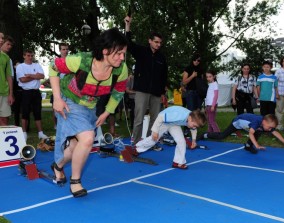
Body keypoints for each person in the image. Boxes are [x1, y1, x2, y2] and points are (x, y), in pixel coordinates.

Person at [49, 28, 128, 198]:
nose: (122, 58)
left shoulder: (121, 70)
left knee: (77, 146)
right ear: (105, 50)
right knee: (87, 138)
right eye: (119, 53)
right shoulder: (81, 60)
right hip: (70, 102)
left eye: (124, 53)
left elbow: (118, 92)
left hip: (91, 107)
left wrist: (107, 112)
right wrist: (56, 98)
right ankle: (75, 182)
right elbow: (54, 67)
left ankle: (58, 165)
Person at [124, 16, 168, 146]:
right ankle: (136, 144)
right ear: (150, 41)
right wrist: (128, 25)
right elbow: (128, 43)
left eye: (160, 42)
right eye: (156, 42)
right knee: (138, 119)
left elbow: (164, 76)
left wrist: (163, 94)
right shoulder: (141, 51)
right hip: (142, 91)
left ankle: (149, 143)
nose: (158, 44)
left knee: (155, 120)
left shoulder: (162, 57)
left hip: (156, 93)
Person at [132, 106, 206, 169]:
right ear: (190, 118)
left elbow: (193, 129)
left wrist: (193, 140)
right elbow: (160, 117)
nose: (194, 127)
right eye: (194, 125)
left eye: (196, 126)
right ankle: (136, 148)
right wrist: (155, 131)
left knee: (181, 142)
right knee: (154, 139)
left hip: (174, 123)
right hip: (163, 121)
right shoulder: (180, 115)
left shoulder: (193, 118)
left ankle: (178, 162)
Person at [200, 113, 284, 154]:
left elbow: (275, 133)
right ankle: (205, 134)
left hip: (246, 126)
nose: (270, 129)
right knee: (221, 136)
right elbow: (250, 134)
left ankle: (247, 146)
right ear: (264, 122)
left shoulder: (264, 125)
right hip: (237, 123)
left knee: (259, 131)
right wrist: (257, 145)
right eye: (270, 127)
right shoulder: (257, 122)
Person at [16, 49, 48, 141]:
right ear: (24, 56)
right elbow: (22, 80)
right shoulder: (20, 67)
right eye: (28, 55)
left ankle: (40, 133)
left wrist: (30, 75)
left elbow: (42, 76)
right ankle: (24, 133)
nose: (30, 57)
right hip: (26, 92)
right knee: (25, 113)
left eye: (31, 55)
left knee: (37, 112)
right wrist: (35, 76)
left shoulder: (36, 65)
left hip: (36, 91)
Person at [0, 32, 14, 126]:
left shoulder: (6, 57)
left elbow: (9, 76)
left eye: (2, 38)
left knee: (4, 119)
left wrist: (11, 94)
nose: (1, 40)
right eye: (0, 38)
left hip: (4, 92)